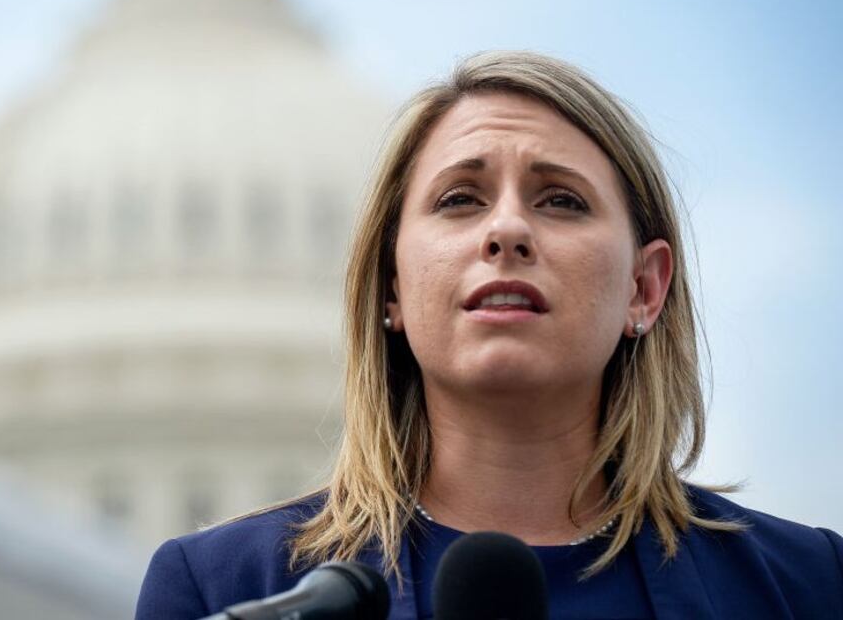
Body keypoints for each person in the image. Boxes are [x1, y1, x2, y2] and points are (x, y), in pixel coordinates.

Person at [135, 51, 843, 619]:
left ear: (643, 288)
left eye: (561, 200)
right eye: (460, 199)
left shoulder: (809, 586)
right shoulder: (232, 590)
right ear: (391, 287)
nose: (506, 230)